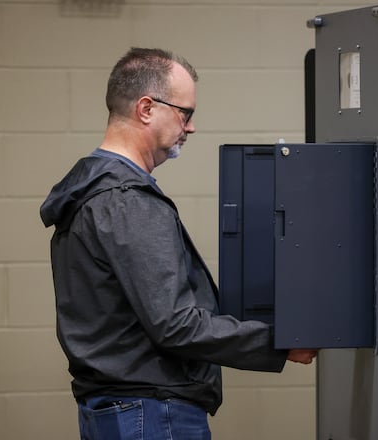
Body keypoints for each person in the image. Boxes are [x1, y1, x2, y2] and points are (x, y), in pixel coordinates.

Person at [39, 47, 317, 440]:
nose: (190, 128)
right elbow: (175, 324)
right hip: (149, 412)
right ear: (146, 108)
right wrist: (278, 344)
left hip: (121, 410)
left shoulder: (92, 189)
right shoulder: (127, 200)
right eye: (185, 114)